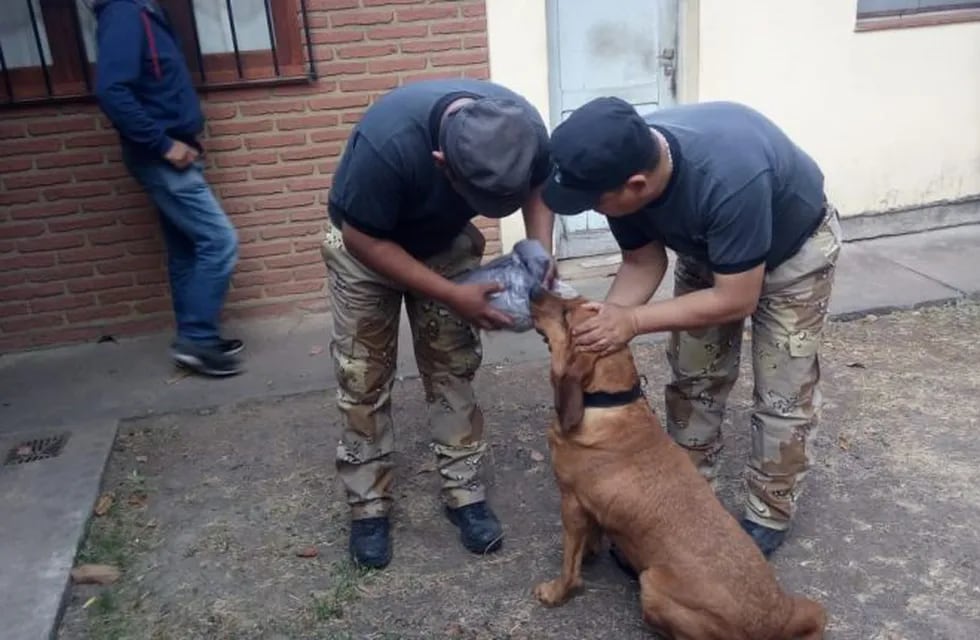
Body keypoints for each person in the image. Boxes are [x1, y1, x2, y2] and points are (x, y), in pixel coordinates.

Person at [542, 97, 841, 557]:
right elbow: (642, 261)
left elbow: (735, 298)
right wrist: (602, 325)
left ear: (636, 184)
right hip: (710, 250)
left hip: (793, 254)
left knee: (782, 392)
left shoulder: (729, 177)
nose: (591, 210)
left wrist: (635, 320)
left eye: (592, 202)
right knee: (695, 378)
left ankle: (768, 513)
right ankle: (687, 497)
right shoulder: (623, 166)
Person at [323, 79, 555, 569]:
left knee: (452, 367)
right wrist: (453, 295)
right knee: (363, 376)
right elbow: (360, 237)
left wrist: (538, 252)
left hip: (443, 242)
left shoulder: (522, 125)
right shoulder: (385, 146)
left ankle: (464, 492)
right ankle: (368, 503)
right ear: (442, 163)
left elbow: (538, 186)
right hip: (366, 251)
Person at [93, 0, 242, 377]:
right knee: (220, 241)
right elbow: (112, 90)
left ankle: (196, 338)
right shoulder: (124, 13)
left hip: (174, 152)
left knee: (187, 249)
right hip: (162, 158)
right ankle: (196, 338)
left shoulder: (147, 13)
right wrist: (163, 144)